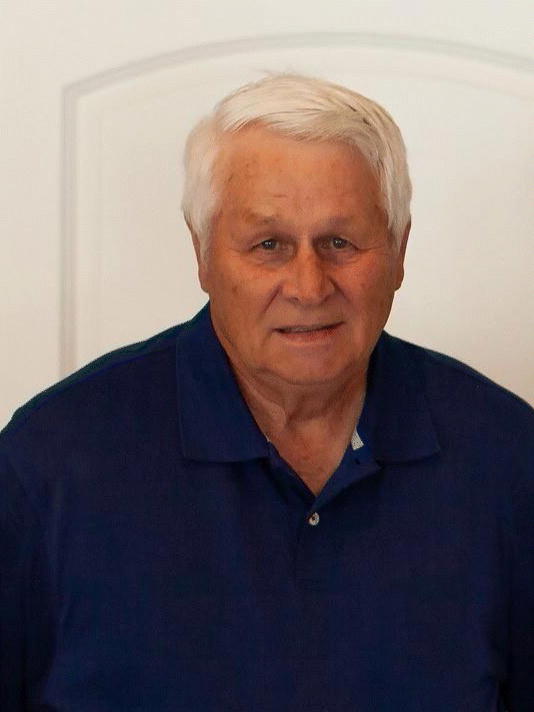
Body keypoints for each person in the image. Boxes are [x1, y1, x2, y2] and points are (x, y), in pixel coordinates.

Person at [1, 73, 532, 712]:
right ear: (202, 253)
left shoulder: (509, 460)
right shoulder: (49, 466)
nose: (309, 287)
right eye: (269, 245)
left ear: (398, 250)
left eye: (339, 242)